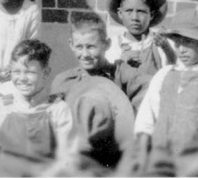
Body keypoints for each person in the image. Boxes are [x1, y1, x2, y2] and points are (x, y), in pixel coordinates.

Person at [129, 9, 198, 177]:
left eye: (189, 42)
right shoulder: (164, 75)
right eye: (177, 42)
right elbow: (147, 117)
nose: (181, 49)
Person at [0, 39, 80, 177]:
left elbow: (68, 157)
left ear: (46, 72)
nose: (22, 78)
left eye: (29, 72)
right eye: (16, 72)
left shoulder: (58, 109)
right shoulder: (3, 106)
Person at [49, 11, 136, 175]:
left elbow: (146, 93)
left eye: (91, 47)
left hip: (113, 157)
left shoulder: (121, 73)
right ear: (71, 44)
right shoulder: (64, 81)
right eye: (79, 47)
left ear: (107, 44)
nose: (85, 54)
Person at [106, 0, 175, 109]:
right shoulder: (113, 44)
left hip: (152, 104)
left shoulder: (160, 43)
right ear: (120, 13)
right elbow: (108, 76)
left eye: (141, 12)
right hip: (121, 106)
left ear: (151, 15)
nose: (135, 17)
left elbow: (172, 73)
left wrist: (166, 48)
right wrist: (122, 62)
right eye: (129, 11)